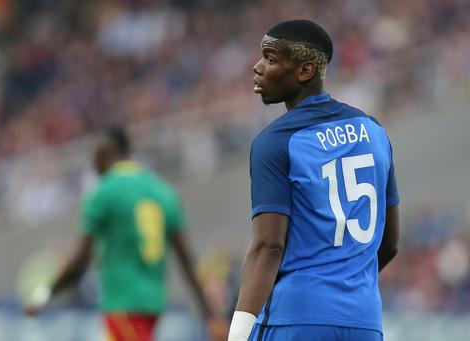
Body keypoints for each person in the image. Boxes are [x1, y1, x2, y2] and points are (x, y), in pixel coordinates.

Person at [228, 20, 400, 341]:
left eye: (270, 58)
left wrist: (236, 335)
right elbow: (389, 244)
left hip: (296, 317)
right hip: (364, 321)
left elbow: (268, 247)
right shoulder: (375, 132)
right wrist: (344, 289)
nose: (257, 67)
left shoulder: (276, 141)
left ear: (305, 71)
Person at [24, 126, 224, 341]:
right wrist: (211, 315)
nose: (92, 164)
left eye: (94, 155)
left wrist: (44, 294)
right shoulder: (164, 193)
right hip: (153, 305)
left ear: (104, 152)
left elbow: (80, 261)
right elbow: (187, 262)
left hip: (124, 306)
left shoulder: (103, 193)